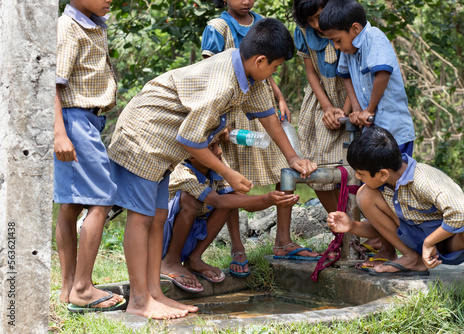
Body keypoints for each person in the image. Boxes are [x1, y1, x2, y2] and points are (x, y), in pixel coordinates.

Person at [107, 18, 317, 319]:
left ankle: (155, 293)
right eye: (276, 66)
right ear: (260, 60)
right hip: (145, 135)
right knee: (141, 218)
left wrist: (293, 158)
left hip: (165, 144)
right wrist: (230, 173)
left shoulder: (249, 77)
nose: (275, 73)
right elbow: (192, 140)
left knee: (157, 215)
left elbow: (269, 116)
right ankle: (139, 299)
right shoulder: (221, 83)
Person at [327, 127, 464, 334]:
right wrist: (352, 226)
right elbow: (384, 227)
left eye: (361, 173)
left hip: (446, 242)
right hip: (414, 237)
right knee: (365, 195)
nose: (358, 177)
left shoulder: (426, 179)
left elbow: (463, 214)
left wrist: (430, 243)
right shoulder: (383, 184)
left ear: (382, 174)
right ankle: (411, 258)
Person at [201, 0, 320, 265]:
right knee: (231, 178)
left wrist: (279, 97)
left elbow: (266, 68)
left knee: (283, 167)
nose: (246, 0)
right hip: (229, 111)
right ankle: (237, 246)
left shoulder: (261, 23)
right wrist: (219, 122)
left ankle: (284, 239)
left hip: (261, 104)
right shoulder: (217, 27)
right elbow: (211, 74)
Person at [319, 0, 417, 269]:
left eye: (338, 40)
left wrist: (370, 109)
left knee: (396, 193)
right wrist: (359, 110)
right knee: (375, 191)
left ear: (355, 28)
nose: (337, 47)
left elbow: (382, 72)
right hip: (373, 130)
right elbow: (346, 76)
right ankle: (388, 247)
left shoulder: (374, 37)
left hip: (394, 132)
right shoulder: (349, 48)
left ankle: (409, 251)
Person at [54, 0, 125, 313]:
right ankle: (83, 288)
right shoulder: (69, 28)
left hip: (86, 120)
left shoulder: (94, 22)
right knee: (101, 198)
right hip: (74, 119)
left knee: (70, 202)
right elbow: (52, 85)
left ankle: (68, 287)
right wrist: (60, 133)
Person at [160, 138, 300, 292]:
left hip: (189, 234)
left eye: (218, 144)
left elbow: (243, 203)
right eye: (212, 147)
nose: (219, 151)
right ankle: (170, 262)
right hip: (163, 238)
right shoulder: (182, 173)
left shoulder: (216, 167)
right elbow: (217, 201)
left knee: (229, 199)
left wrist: (274, 200)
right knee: (190, 200)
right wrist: (266, 198)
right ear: (193, 154)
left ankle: (194, 259)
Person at [292, 0, 351, 217]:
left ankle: (358, 229)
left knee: (351, 166)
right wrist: (327, 107)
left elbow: (355, 72)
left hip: (352, 97)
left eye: (320, 16)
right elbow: (310, 72)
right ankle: (342, 231)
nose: (317, 24)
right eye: (311, 19)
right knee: (317, 164)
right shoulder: (303, 32)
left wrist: (344, 110)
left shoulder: (347, 23)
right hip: (321, 97)